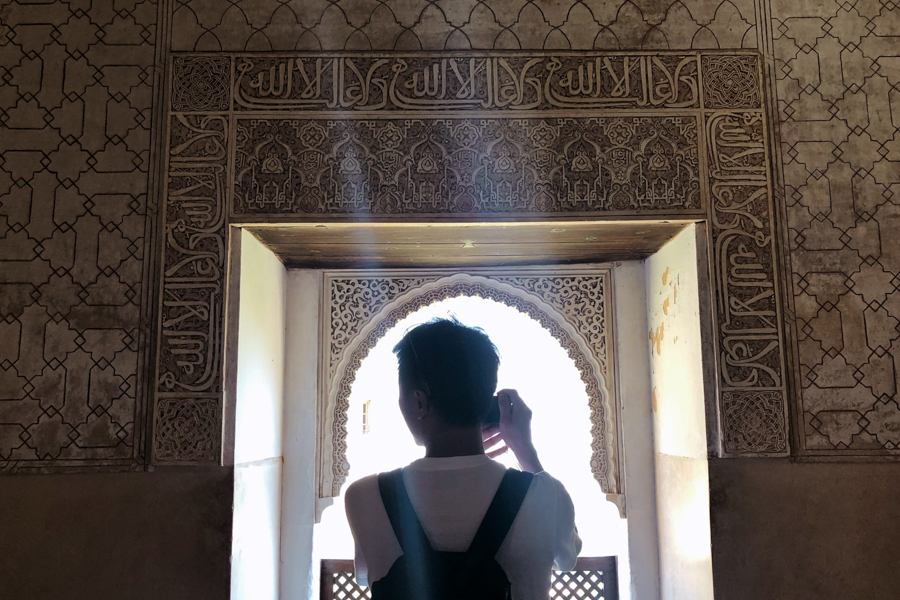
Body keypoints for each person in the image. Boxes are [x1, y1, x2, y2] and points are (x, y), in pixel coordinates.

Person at [345, 318, 581, 599]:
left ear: (419, 402)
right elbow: (567, 558)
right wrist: (524, 450)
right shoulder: (546, 494)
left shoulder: (364, 496)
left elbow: (366, 575)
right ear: (485, 400)